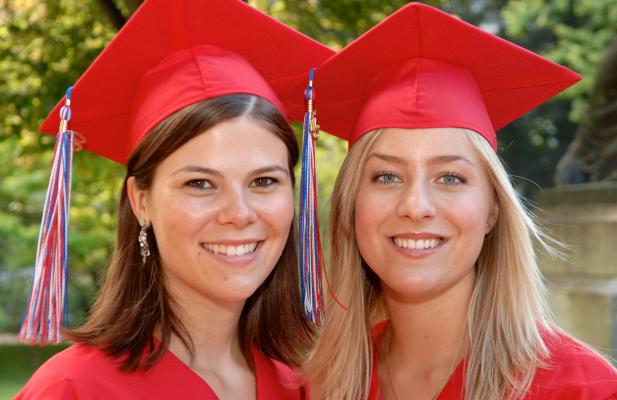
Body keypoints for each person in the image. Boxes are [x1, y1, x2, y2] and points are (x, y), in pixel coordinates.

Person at [16, 0, 333, 398]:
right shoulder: (74, 389)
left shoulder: (301, 385)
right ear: (140, 200)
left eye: (264, 181)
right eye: (200, 183)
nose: (239, 213)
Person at [301, 3, 617, 399]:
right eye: (386, 176)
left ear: (492, 211)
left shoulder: (580, 389)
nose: (416, 206)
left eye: (450, 177)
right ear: (350, 205)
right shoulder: (321, 384)